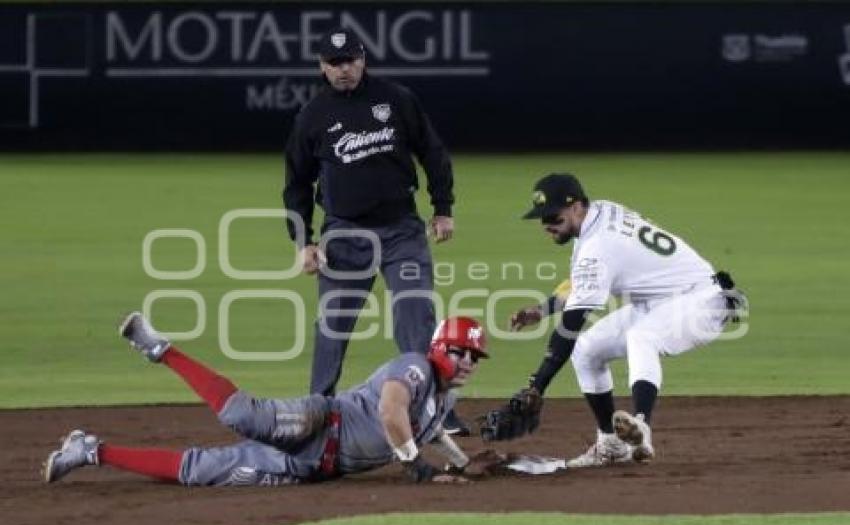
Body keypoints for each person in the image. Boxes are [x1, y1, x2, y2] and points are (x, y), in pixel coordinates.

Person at [482, 173, 747, 467]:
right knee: (587, 350)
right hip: (660, 301)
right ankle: (611, 444)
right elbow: (582, 282)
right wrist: (543, 309)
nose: (546, 224)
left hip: (700, 301)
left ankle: (642, 425)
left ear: (577, 207)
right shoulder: (598, 214)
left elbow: (572, 322)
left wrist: (538, 384)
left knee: (641, 337)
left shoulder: (598, 246)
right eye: (541, 217)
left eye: (553, 216)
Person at [43, 313, 489, 486]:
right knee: (242, 415)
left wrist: (462, 463)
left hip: (312, 467)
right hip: (322, 422)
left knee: (199, 471)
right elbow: (392, 411)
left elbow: (428, 432)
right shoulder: (415, 366)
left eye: (474, 355)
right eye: (460, 350)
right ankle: (159, 348)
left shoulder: (443, 398)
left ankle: (88, 450)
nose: (467, 360)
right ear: (438, 348)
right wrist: (416, 467)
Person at [282, 28, 468, 434]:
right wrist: (304, 241)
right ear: (322, 67)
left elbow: (432, 152)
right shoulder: (313, 116)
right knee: (334, 325)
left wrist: (443, 208)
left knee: (416, 319)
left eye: (349, 60)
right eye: (334, 63)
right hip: (344, 236)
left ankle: (432, 410)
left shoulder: (396, 99)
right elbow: (296, 182)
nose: (343, 69)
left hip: (402, 230)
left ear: (362, 59)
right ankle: (320, 410)